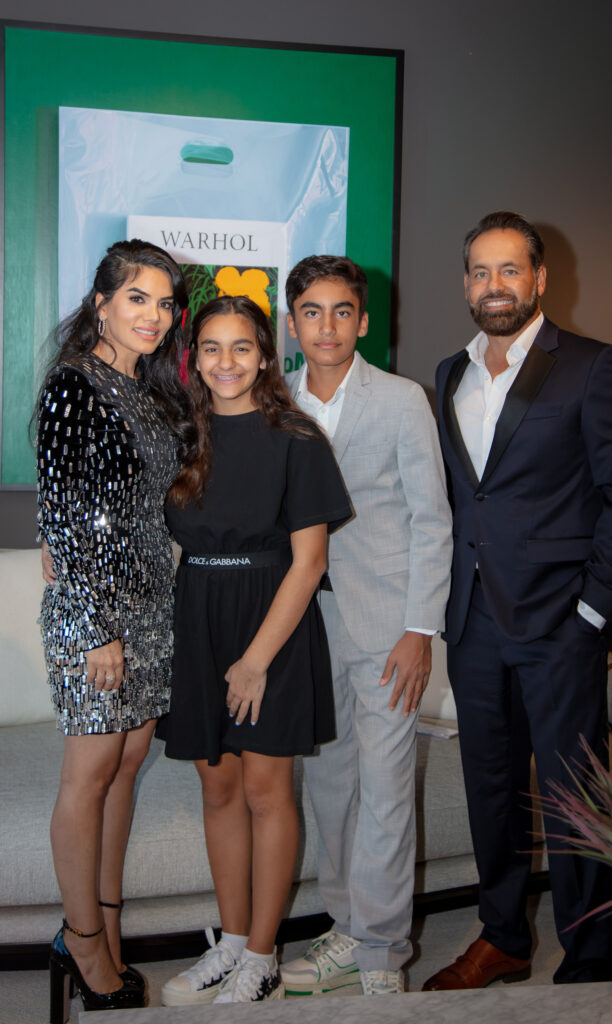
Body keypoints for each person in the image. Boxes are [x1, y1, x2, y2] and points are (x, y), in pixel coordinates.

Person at [424, 211, 612, 991]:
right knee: (489, 786)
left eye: (509, 270)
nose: (495, 286)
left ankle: (589, 957)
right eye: (480, 272)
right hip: (473, 619)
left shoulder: (594, 366)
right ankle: (502, 939)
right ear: (465, 284)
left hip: (562, 622)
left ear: (540, 279)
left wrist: (595, 610)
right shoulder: (448, 373)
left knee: (572, 793)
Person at [157, 295, 351, 1006]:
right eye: (211, 347)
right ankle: (232, 943)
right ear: (194, 358)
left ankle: (264, 956)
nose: (226, 362)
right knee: (218, 787)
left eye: (242, 347)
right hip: (198, 617)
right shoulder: (182, 438)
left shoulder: (296, 438)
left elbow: (308, 563)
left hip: (271, 621)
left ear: (267, 355)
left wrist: (255, 659)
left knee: (268, 791)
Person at [279, 256, 453, 996]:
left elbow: (432, 520)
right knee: (328, 785)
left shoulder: (402, 399)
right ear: (292, 322)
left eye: (342, 311)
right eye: (312, 312)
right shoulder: (271, 402)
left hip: (388, 627)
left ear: (365, 320)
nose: (327, 325)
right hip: (303, 628)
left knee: (385, 785)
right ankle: (346, 925)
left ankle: (382, 954)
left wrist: (421, 629)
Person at [37, 239, 193, 1019]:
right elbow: (65, 510)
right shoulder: (75, 384)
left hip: (149, 605)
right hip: (95, 614)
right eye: (138, 298)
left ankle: (108, 922)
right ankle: (80, 939)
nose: (154, 316)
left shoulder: (151, 391)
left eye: (165, 303)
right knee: (89, 775)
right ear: (101, 303)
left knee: (128, 763)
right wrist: (96, 628)